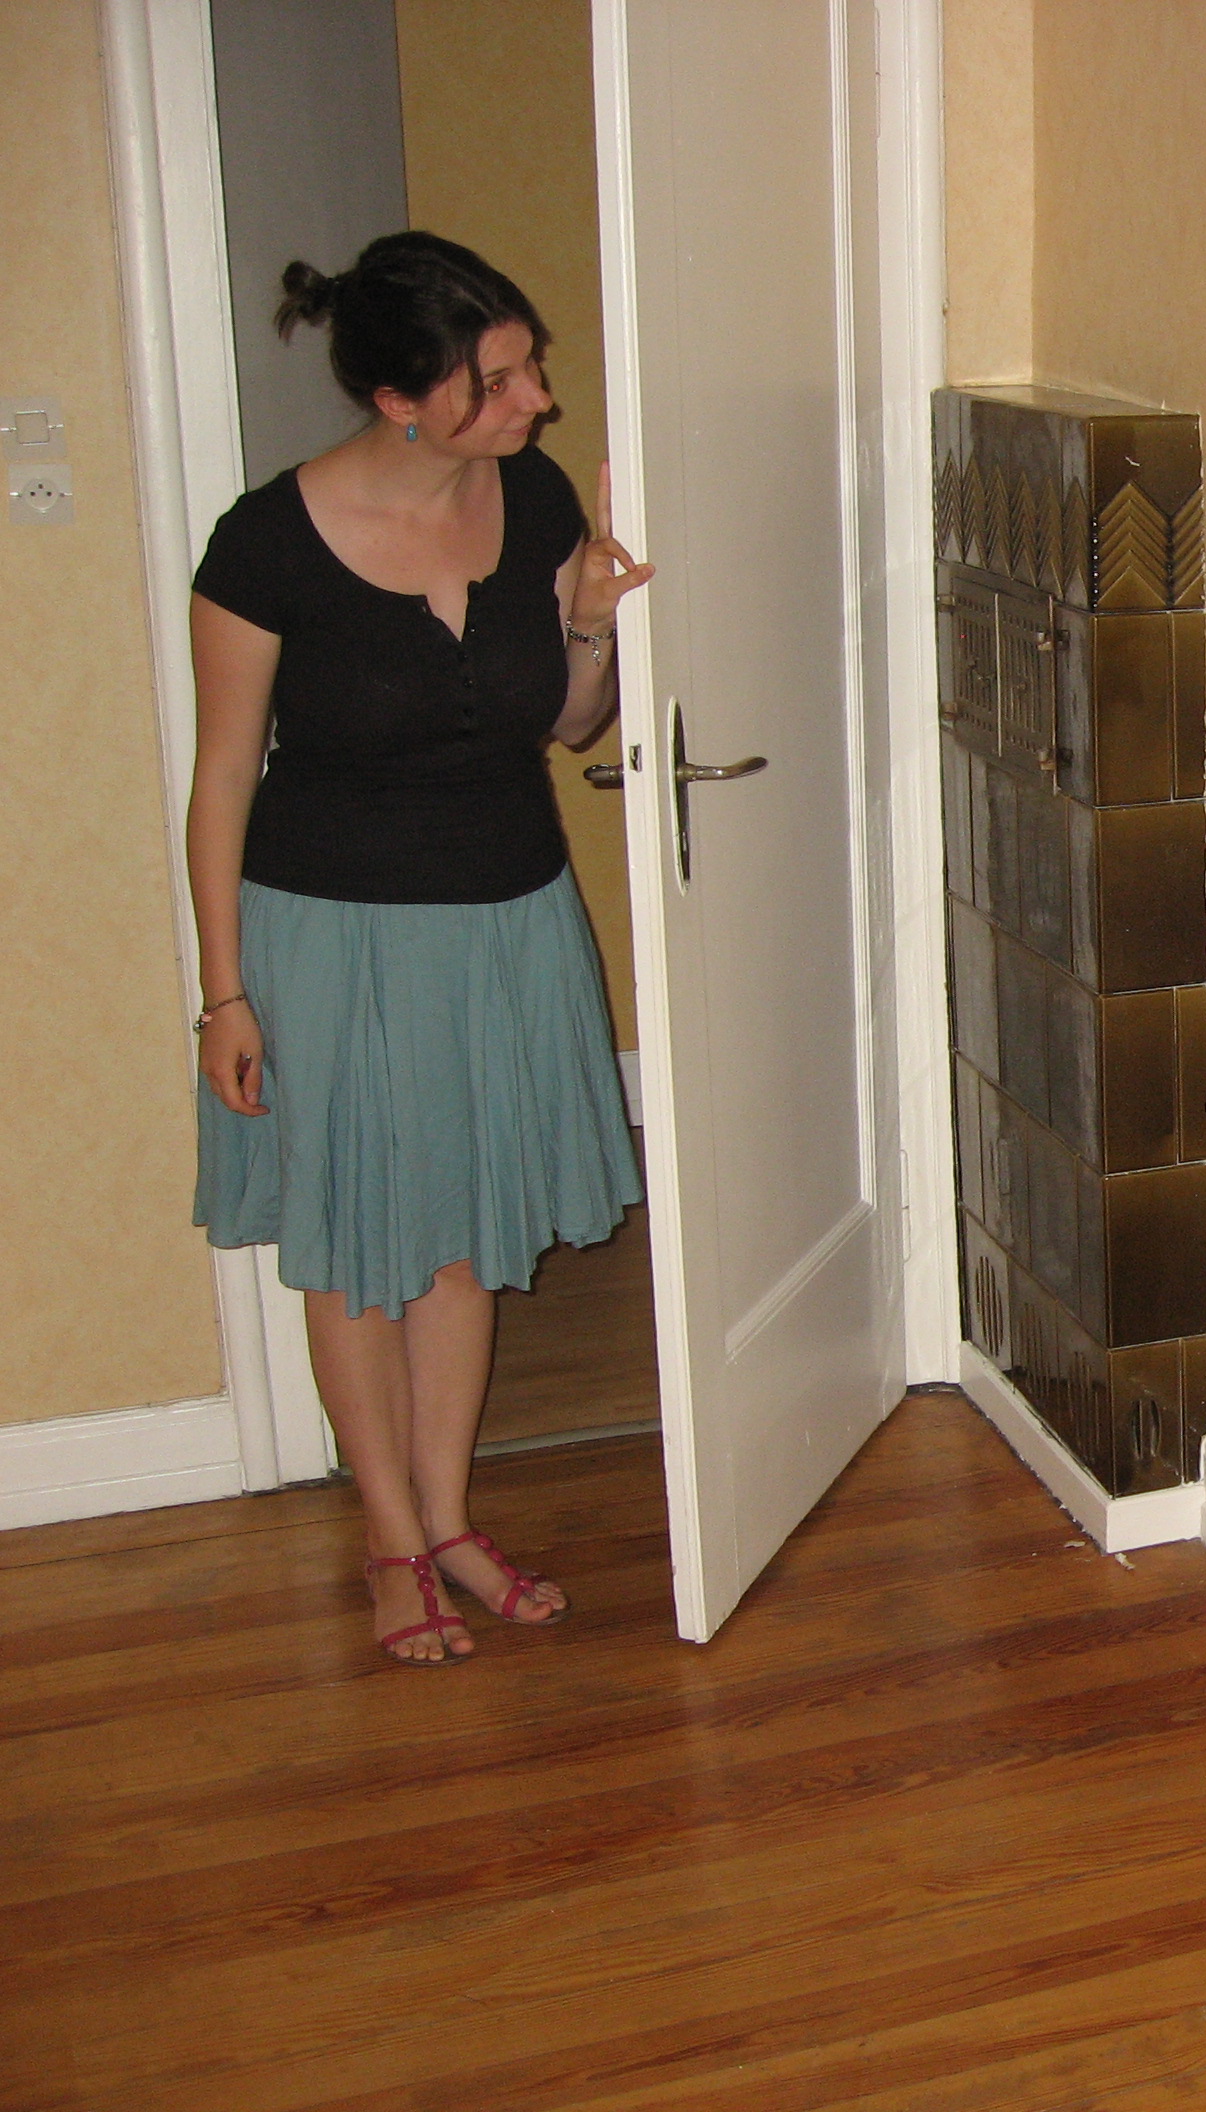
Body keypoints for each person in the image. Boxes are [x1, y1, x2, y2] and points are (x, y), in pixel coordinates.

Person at [186, 231, 653, 1666]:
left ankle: (450, 1520)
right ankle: (389, 1537)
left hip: (508, 917)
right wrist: (223, 993)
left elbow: (567, 723)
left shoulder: (539, 498)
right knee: (356, 1245)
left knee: (458, 1242)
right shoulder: (266, 543)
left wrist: (590, 626)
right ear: (399, 400)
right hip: (331, 934)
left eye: (529, 368)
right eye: (497, 381)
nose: (536, 400)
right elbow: (221, 776)